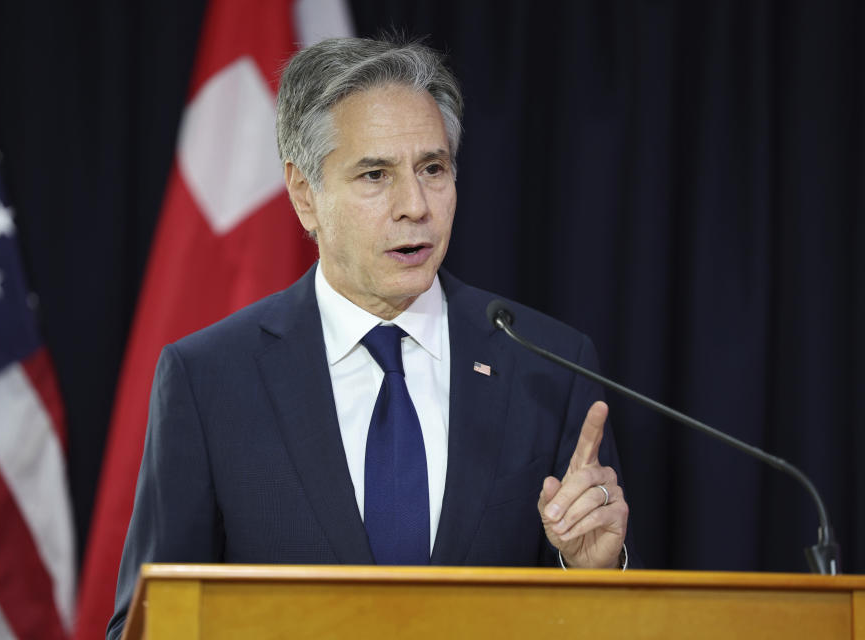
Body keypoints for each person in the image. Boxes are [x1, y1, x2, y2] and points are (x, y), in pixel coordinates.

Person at [107, 36, 632, 638]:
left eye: (433, 169)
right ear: (305, 195)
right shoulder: (209, 380)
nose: (415, 205)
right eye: (376, 174)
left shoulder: (548, 366)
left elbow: (597, 615)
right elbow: (147, 625)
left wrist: (591, 570)